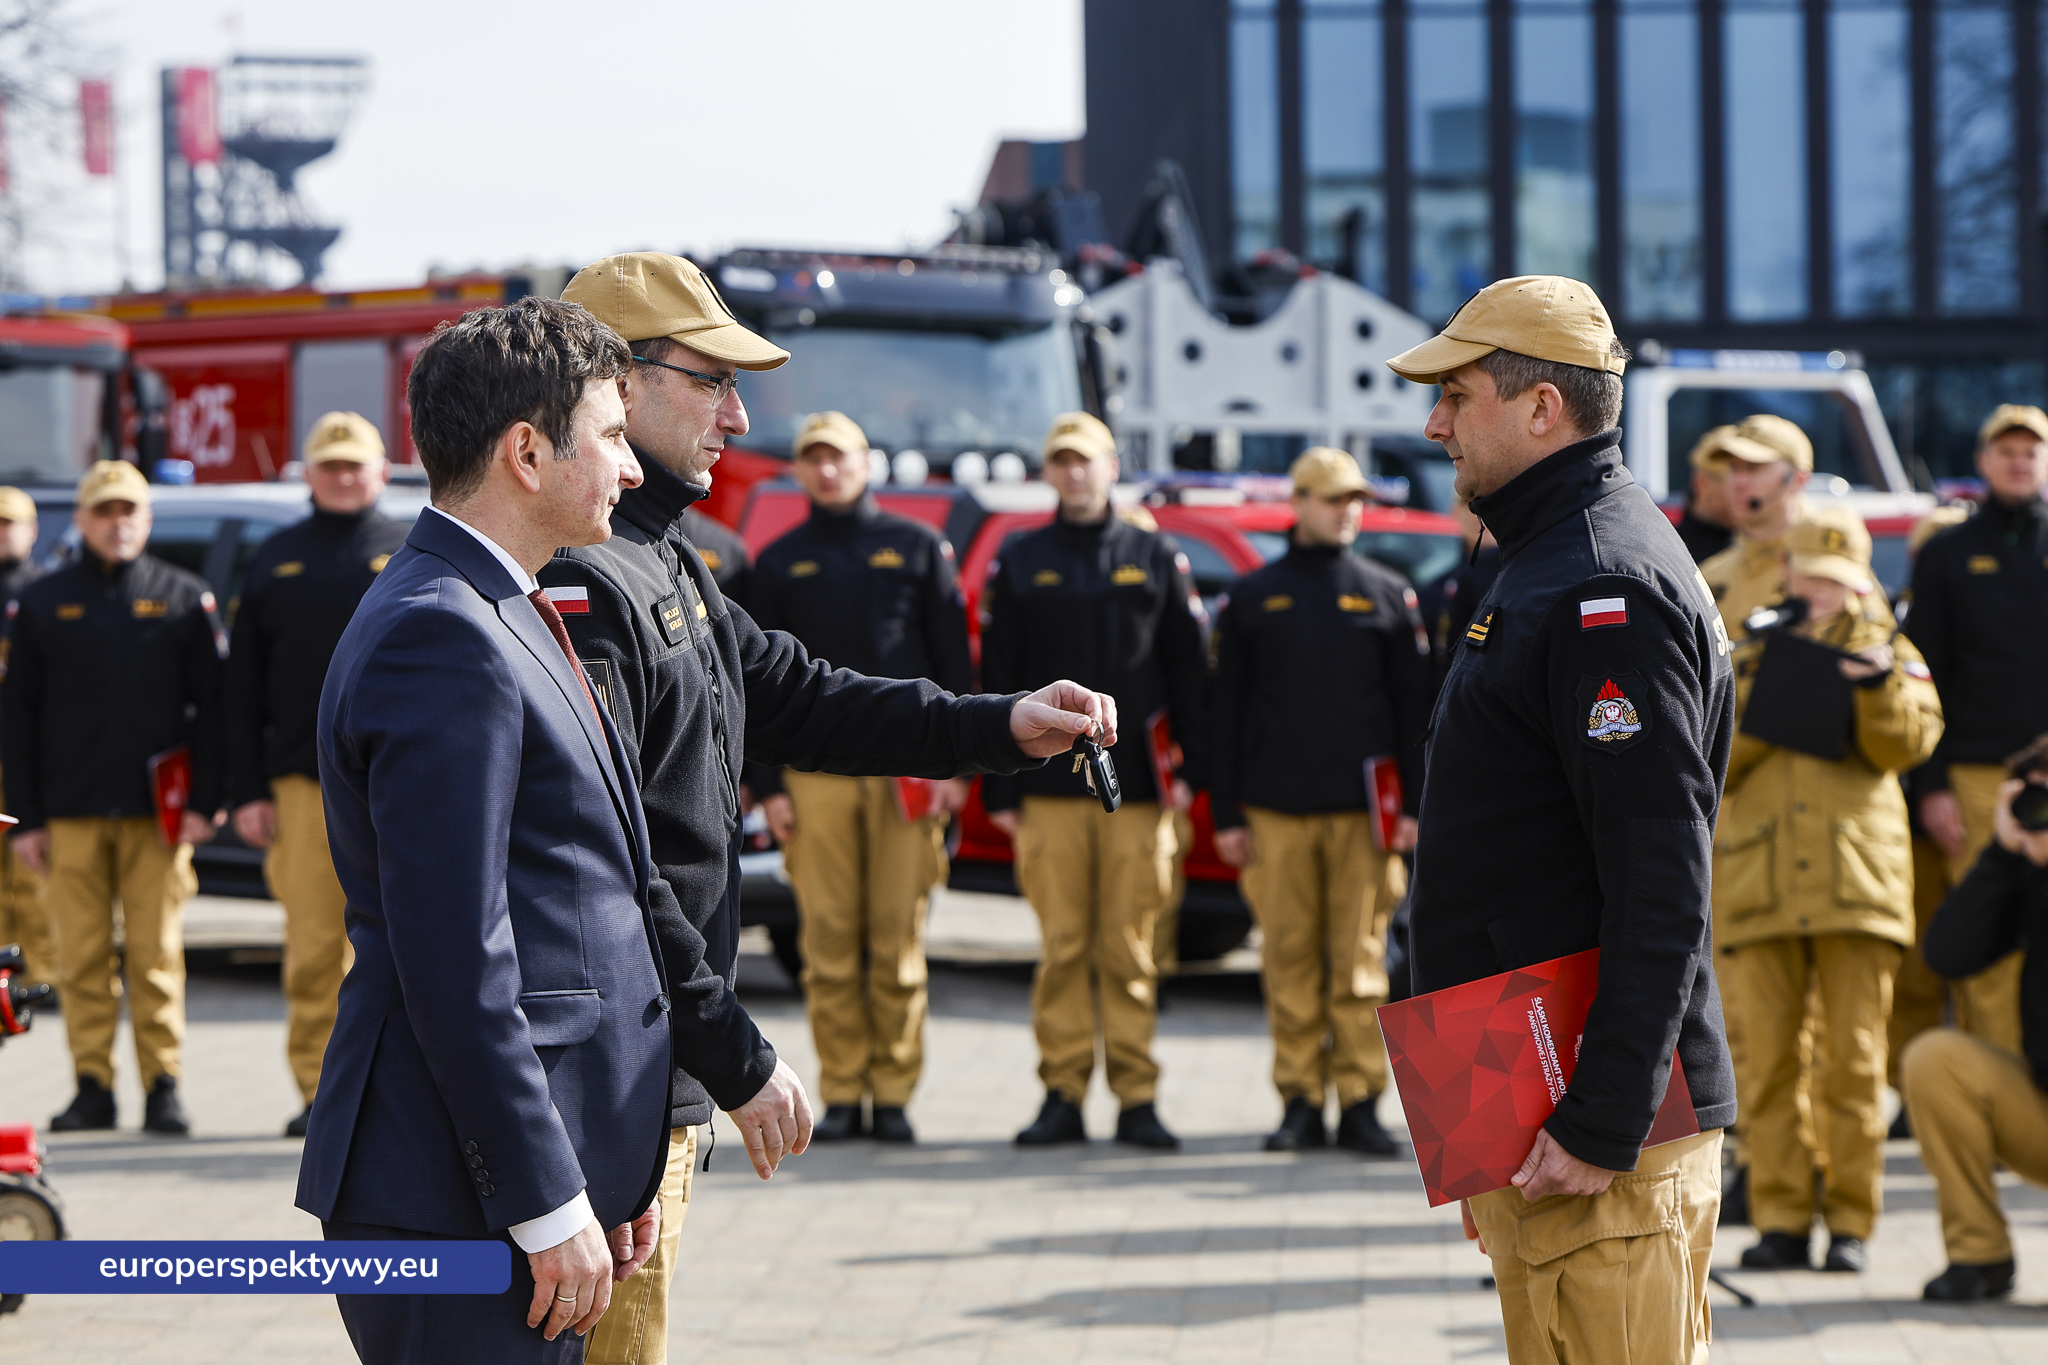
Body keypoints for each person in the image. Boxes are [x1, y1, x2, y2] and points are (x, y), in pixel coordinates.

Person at [542, 251, 1118, 1365]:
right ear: (615, 381)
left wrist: (998, 724)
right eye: (712, 381)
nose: (739, 413)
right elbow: (616, 866)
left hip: (646, 1070)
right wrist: (737, 1052)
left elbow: (804, 697)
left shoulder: (665, 557)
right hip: (607, 1078)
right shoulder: (589, 578)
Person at [296, 298, 672, 1363]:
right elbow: (456, 956)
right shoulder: (440, 634)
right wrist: (549, 1198)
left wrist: (602, 1171)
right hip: (453, 1197)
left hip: (497, 1181)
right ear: (524, 451)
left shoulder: (497, 604)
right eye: (609, 435)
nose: (631, 468)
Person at [1389, 275, 1735, 1365]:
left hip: (1592, 1140)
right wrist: (1472, 1121)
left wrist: (1597, 1121)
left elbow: (1657, 881)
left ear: (1543, 409)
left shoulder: (1600, 584)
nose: (1433, 421)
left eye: (1457, 392)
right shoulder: (1546, 556)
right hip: (1523, 1102)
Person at [1713, 506, 1942, 1274]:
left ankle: (1850, 1221)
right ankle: (1778, 1218)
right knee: (1769, 1064)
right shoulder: (1746, 650)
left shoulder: (1893, 652)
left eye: (1837, 581)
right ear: (1787, 573)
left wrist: (1874, 687)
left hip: (1855, 883)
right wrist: (1775, 690)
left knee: (1853, 1063)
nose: (1823, 594)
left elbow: (1907, 744)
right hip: (1760, 880)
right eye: (1810, 577)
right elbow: (1712, 764)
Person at [982, 411, 1208, 1151]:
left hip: (1136, 792)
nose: (1075, 472)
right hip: (1048, 790)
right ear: (1048, 473)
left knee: (1132, 946)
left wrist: (1193, 779)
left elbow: (1190, 676)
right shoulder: (1022, 560)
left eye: (1088, 460)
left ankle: (1138, 1097)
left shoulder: (1152, 553)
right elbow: (997, 680)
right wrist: (1002, 792)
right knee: (1064, 947)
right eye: (1062, 461)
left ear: (1113, 467)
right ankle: (1063, 1093)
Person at [750, 410, 973, 1145]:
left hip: (908, 774)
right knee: (830, 939)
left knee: (898, 936)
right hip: (816, 779)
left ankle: (895, 1091)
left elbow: (953, 662)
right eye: (813, 458)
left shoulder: (914, 548)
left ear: (867, 463)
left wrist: (957, 766)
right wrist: (770, 788)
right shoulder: (780, 563)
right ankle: (844, 1090)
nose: (827, 469)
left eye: (839, 456)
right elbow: (751, 689)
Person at [1209, 446, 1427, 1157]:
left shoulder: (1387, 593)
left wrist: (1414, 809)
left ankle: (1361, 1101)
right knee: (1289, 959)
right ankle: (1299, 1099)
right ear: (1297, 503)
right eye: (1333, 499)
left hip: (1363, 816)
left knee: (1362, 962)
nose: (1347, 511)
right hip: (1275, 809)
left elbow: (1411, 710)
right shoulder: (1253, 596)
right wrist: (1228, 814)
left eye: (1355, 499)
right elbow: (1227, 712)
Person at [2, 460, 224, 1137]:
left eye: (129, 510)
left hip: (156, 817)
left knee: (156, 954)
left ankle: (164, 1086)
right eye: (104, 510)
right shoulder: (41, 603)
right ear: (83, 520)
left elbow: (211, 710)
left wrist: (204, 802)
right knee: (81, 955)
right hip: (69, 813)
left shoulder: (184, 596)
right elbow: (18, 720)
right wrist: (27, 820)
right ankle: (91, 1085)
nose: (118, 521)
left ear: (147, 519)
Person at [224, 413, 409, 1138]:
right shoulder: (274, 559)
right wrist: (246, 790)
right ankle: (320, 1091)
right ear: (307, 473)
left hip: (400, 781)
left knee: (410, 938)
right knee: (311, 946)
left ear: (381, 469)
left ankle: (397, 1091)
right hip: (303, 788)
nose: (342, 475)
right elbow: (239, 688)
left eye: (354, 464)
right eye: (329, 464)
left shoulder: (407, 548)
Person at [1903, 403, 2048, 1056]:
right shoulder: (1947, 554)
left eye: (2031, 451)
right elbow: (1921, 674)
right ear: (1984, 461)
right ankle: (2005, 1107)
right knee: (1993, 940)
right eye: (2007, 451)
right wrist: (1931, 784)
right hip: (1977, 775)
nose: (2019, 461)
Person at [1900, 732, 2048, 1303]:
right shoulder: (2028, 874)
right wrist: (2003, 856)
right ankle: (1980, 1255)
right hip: (2039, 1107)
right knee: (1936, 1059)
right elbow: (1947, 955)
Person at [0, 486, 52, 993]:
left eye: (8, 523)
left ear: (32, 531)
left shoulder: (46, 594)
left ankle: (42, 973)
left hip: (32, 755)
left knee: (36, 871)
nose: (1, 533)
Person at [1417, 494, 1499, 697]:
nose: (1477, 513)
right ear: (1454, 510)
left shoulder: (1529, 579)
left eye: (1486, 500)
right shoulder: (1435, 591)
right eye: (1468, 504)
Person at [1675, 425, 1760, 564]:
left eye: (1755, 473)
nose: (1750, 490)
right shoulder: (1674, 553)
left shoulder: (1766, 545)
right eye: (1735, 475)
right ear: (1701, 484)